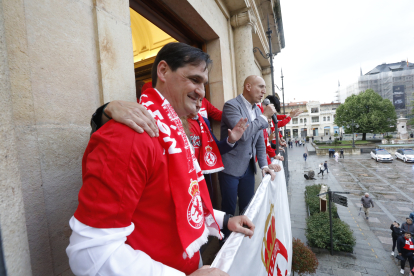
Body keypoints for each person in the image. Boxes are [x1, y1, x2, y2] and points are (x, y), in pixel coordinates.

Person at [66, 42, 255, 276]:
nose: (202, 92)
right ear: (163, 71)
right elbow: (89, 254)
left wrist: (225, 220)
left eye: (203, 84)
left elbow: (181, 199)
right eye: (194, 80)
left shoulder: (176, 129)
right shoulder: (128, 136)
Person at [219, 75, 280, 238]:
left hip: (248, 169)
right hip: (230, 168)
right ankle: (224, 244)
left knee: (248, 207)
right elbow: (243, 135)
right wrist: (263, 117)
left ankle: (244, 242)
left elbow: (259, 141)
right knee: (229, 211)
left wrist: (264, 166)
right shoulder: (231, 106)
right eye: (260, 87)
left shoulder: (256, 110)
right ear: (248, 86)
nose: (264, 92)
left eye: (265, 88)